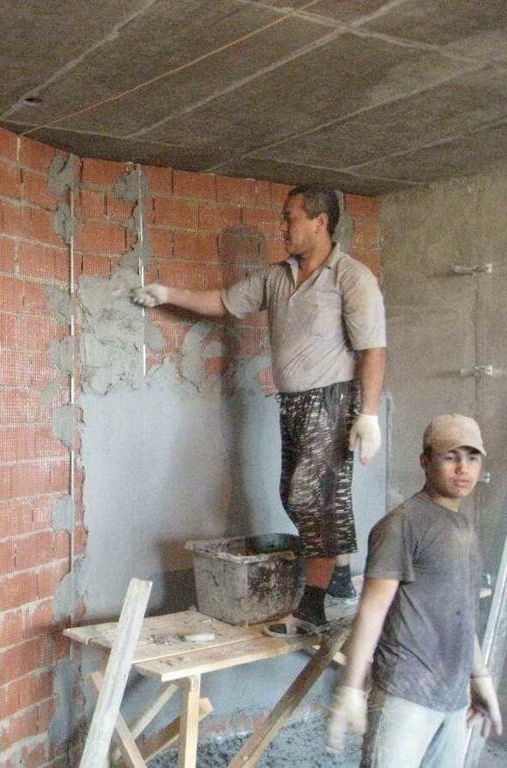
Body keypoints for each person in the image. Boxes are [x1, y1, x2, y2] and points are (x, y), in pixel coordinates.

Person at [132, 184, 386, 635]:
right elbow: (223, 302)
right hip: (293, 402)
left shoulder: (351, 276)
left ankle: (313, 606)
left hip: (332, 399)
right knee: (295, 495)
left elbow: (372, 349)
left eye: (290, 217)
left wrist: (368, 414)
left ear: (320, 222)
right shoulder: (277, 277)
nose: (282, 226)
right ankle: (340, 575)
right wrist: (165, 293)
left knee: (314, 498)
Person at [327, 414, 502, 767]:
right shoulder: (402, 525)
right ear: (425, 461)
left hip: (452, 699)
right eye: (450, 457)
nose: (463, 468)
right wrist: (350, 687)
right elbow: (372, 611)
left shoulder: (464, 528)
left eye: (472, 457)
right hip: (405, 694)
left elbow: (461, 613)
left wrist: (479, 677)